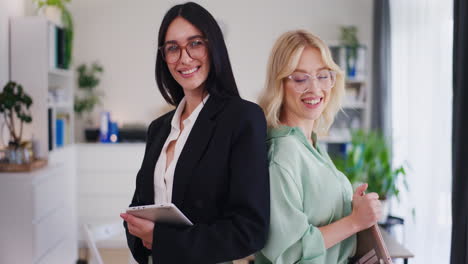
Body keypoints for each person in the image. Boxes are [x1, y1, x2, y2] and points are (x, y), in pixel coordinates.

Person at [119, 2, 269, 263]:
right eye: (173, 48)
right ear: (163, 56)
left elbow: (250, 230)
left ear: (214, 47)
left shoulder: (243, 119)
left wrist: (161, 239)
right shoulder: (159, 129)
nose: (184, 58)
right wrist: (136, 229)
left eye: (195, 43)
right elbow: (140, 206)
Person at [255, 30, 382, 264]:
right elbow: (289, 252)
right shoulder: (283, 154)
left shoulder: (310, 143)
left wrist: (349, 204)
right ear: (279, 84)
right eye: (300, 78)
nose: (315, 89)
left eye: (323, 76)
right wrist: (355, 221)